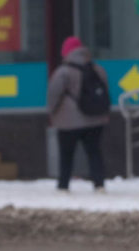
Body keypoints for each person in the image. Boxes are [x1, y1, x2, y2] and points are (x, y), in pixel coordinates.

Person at [47, 36, 110, 192]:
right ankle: (99, 184)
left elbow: (53, 94)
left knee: (66, 154)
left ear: (66, 52)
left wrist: (51, 112)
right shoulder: (98, 69)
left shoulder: (63, 72)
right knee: (94, 152)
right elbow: (105, 93)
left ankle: (63, 185)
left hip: (68, 121)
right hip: (95, 119)